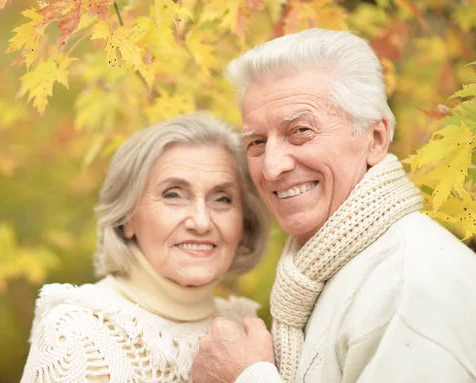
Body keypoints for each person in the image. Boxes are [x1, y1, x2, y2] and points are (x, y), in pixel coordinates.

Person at [190, 28, 476, 383]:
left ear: (376, 138)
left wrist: (247, 377)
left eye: (300, 131)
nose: (272, 166)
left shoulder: (411, 281)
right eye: (257, 142)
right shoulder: (322, 274)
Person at [20, 114, 269, 382]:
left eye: (222, 198)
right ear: (127, 216)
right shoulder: (78, 332)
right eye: (173, 195)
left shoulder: (247, 330)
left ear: (244, 219)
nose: (201, 221)